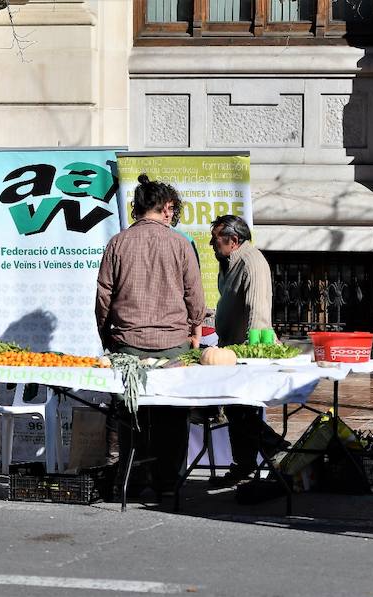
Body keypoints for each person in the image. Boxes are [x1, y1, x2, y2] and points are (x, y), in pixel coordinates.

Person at [96, 174, 205, 496]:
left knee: (130, 414)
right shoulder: (179, 243)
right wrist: (196, 329)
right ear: (165, 208)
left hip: (128, 343)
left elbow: (104, 296)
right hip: (173, 344)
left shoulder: (118, 242)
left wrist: (106, 334)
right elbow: (194, 295)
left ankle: (131, 480)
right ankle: (167, 483)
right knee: (172, 415)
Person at [208, 214, 288, 488]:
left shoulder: (251, 261)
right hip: (231, 349)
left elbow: (258, 310)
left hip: (245, 351)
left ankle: (276, 447)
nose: (211, 243)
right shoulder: (229, 262)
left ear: (233, 240)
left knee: (241, 412)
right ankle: (244, 464)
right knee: (236, 409)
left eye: (216, 238)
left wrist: (253, 352)